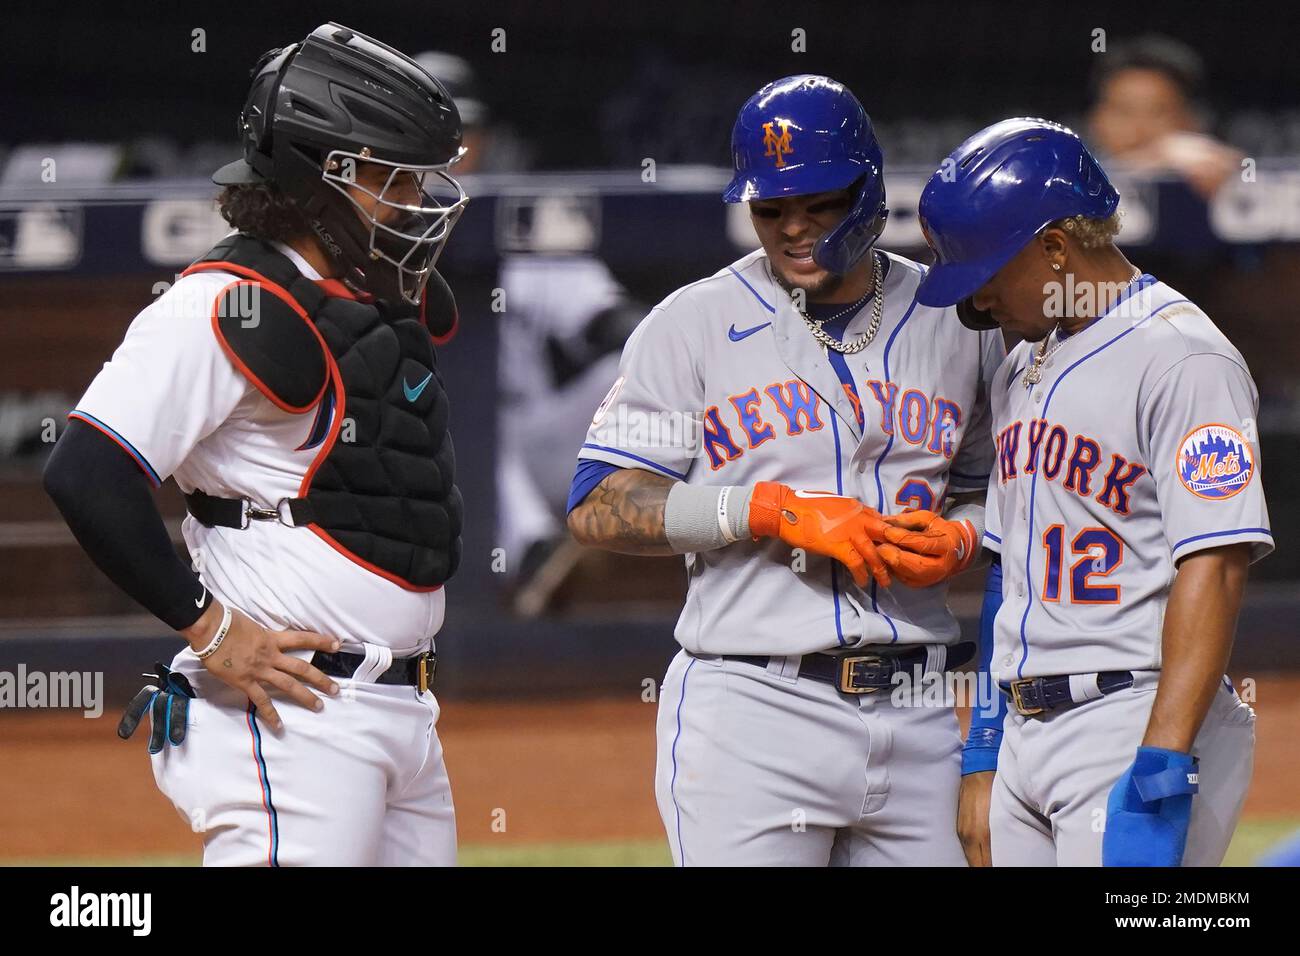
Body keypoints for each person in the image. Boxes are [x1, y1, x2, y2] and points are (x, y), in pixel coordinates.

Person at [43, 22, 469, 866]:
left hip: (402, 710)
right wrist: (208, 629)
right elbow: (85, 471)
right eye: (393, 180)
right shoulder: (220, 307)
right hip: (291, 723)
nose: (415, 203)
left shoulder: (368, 297)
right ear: (323, 181)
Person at [566, 74, 1004, 866]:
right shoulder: (690, 326)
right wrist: (765, 512)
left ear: (869, 193)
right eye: (770, 210)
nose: (794, 229)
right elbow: (600, 503)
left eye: (820, 204)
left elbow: (993, 494)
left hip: (923, 703)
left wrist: (964, 539)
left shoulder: (955, 319)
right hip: (753, 705)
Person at [911, 117, 1271, 866]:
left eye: (983, 274)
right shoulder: (1022, 366)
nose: (976, 303)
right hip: (1023, 730)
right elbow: (1008, 576)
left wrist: (1162, 765)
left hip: (1133, 716)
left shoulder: (1182, 356)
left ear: (1053, 247)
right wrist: (983, 756)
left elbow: (1216, 563)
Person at [1086, 35, 1241, 199]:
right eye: (1123, 111)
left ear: (1191, 120)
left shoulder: (1209, 168)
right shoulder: (1069, 178)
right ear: (1095, 119)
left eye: (1158, 112)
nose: (1139, 128)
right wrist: (1148, 164)